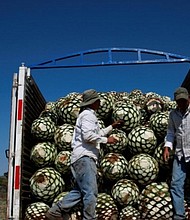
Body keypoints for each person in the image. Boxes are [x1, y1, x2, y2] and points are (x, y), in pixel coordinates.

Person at [46, 89, 123, 220]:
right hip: (85, 158)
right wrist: (107, 140)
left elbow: (97, 133)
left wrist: (112, 126)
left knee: (79, 192)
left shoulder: (88, 115)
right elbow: (88, 136)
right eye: (97, 100)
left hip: (81, 158)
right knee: (90, 192)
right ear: (93, 102)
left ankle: (55, 211)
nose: (99, 102)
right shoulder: (88, 115)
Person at [163, 87, 190, 220]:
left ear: (188, 98)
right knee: (176, 184)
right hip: (180, 155)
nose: (182, 104)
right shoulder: (173, 114)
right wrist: (167, 147)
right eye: (179, 101)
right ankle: (179, 215)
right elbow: (170, 132)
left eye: (184, 101)